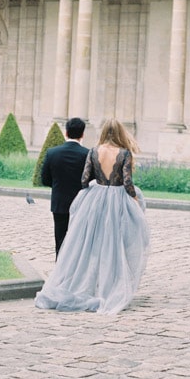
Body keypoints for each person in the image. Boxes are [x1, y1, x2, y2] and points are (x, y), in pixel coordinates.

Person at [35, 118, 150, 315]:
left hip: (96, 198)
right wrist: (134, 200)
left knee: (90, 244)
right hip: (116, 198)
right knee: (113, 244)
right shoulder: (124, 153)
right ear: (121, 133)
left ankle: (88, 284)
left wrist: (92, 195)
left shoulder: (93, 151)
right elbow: (128, 183)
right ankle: (109, 285)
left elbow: (84, 179)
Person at [41, 117, 89, 257]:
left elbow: (45, 179)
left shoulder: (52, 153)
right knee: (78, 241)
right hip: (80, 204)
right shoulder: (87, 154)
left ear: (66, 132)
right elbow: (90, 181)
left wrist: (58, 186)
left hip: (60, 202)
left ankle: (59, 270)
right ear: (82, 134)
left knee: (60, 240)